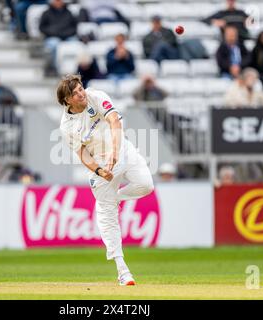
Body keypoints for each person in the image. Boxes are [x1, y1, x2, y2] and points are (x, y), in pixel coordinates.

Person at [57, 74, 154, 286]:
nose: (81, 93)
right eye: (75, 93)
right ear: (67, 100)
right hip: (101, 165)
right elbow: (82, 154)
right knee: (108, 217)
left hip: (122, 150)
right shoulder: (67, 126)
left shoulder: (96, 96)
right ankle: (123, 271)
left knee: (146, 185)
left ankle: (116, 198)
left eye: (81, 88)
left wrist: (115, 152)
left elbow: (114, 122)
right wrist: (100, 171)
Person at [39, 0, 77, 76]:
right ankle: (54, 67)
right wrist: (53, 32)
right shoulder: (46, 13)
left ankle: (73, 69)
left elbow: (74, 28)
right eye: (56, 0)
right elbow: (42, 28)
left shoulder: (69, 13)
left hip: (67, 37)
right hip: (52, 37)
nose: (58, 2)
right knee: (54, 44)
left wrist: (65, 34)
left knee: (74, 43)